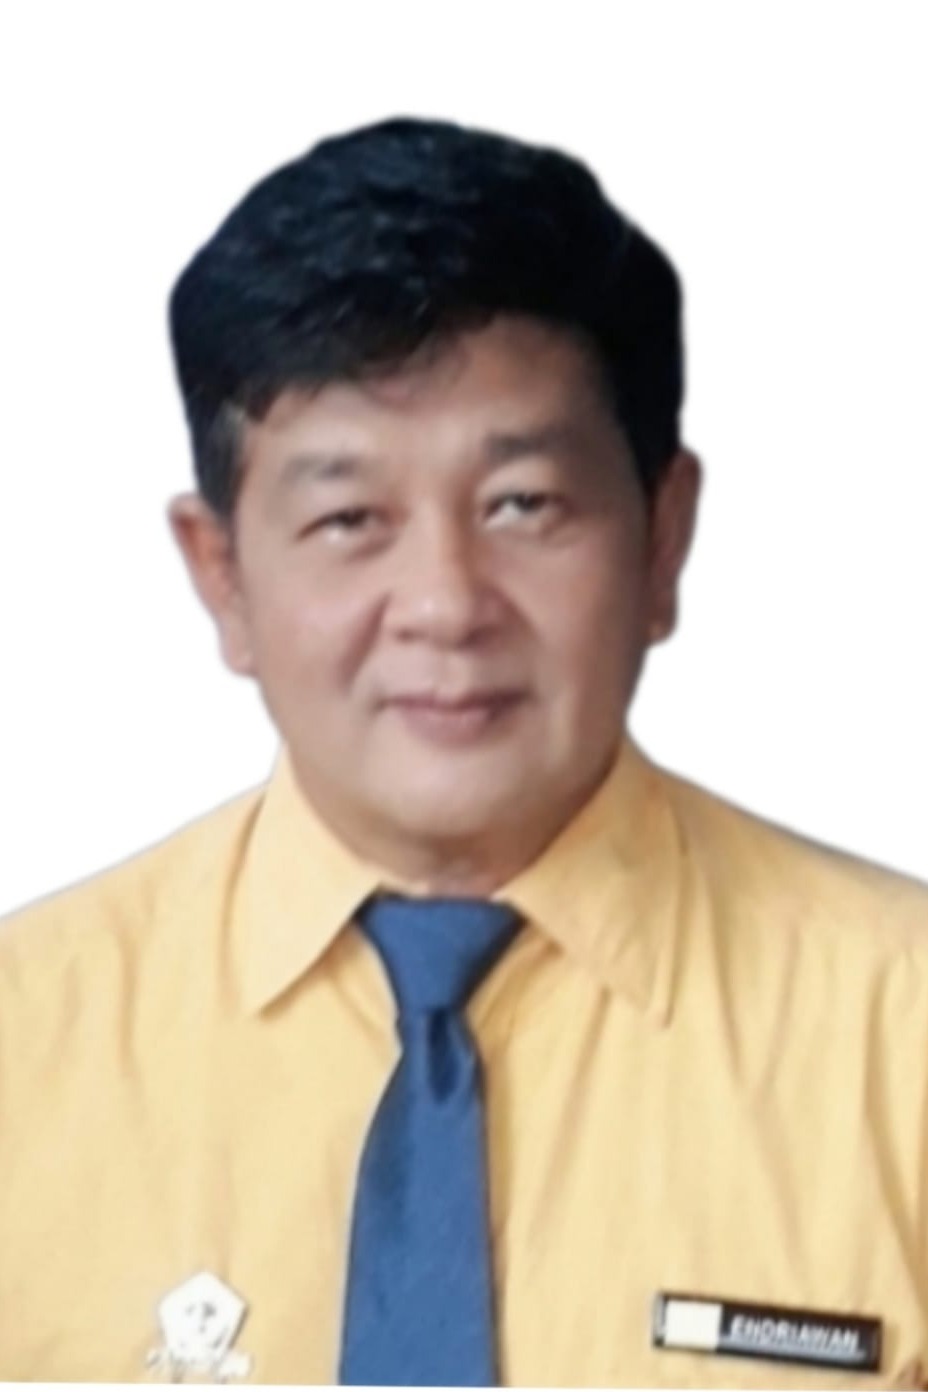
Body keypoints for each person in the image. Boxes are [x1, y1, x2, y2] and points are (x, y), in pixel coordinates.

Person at [0, 115, 926, 1390]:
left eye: (521, 505)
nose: (444, 604)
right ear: (221, 575)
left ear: (662, 538)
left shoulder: (901, 1033)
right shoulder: (25, 1043)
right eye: (347, 518)